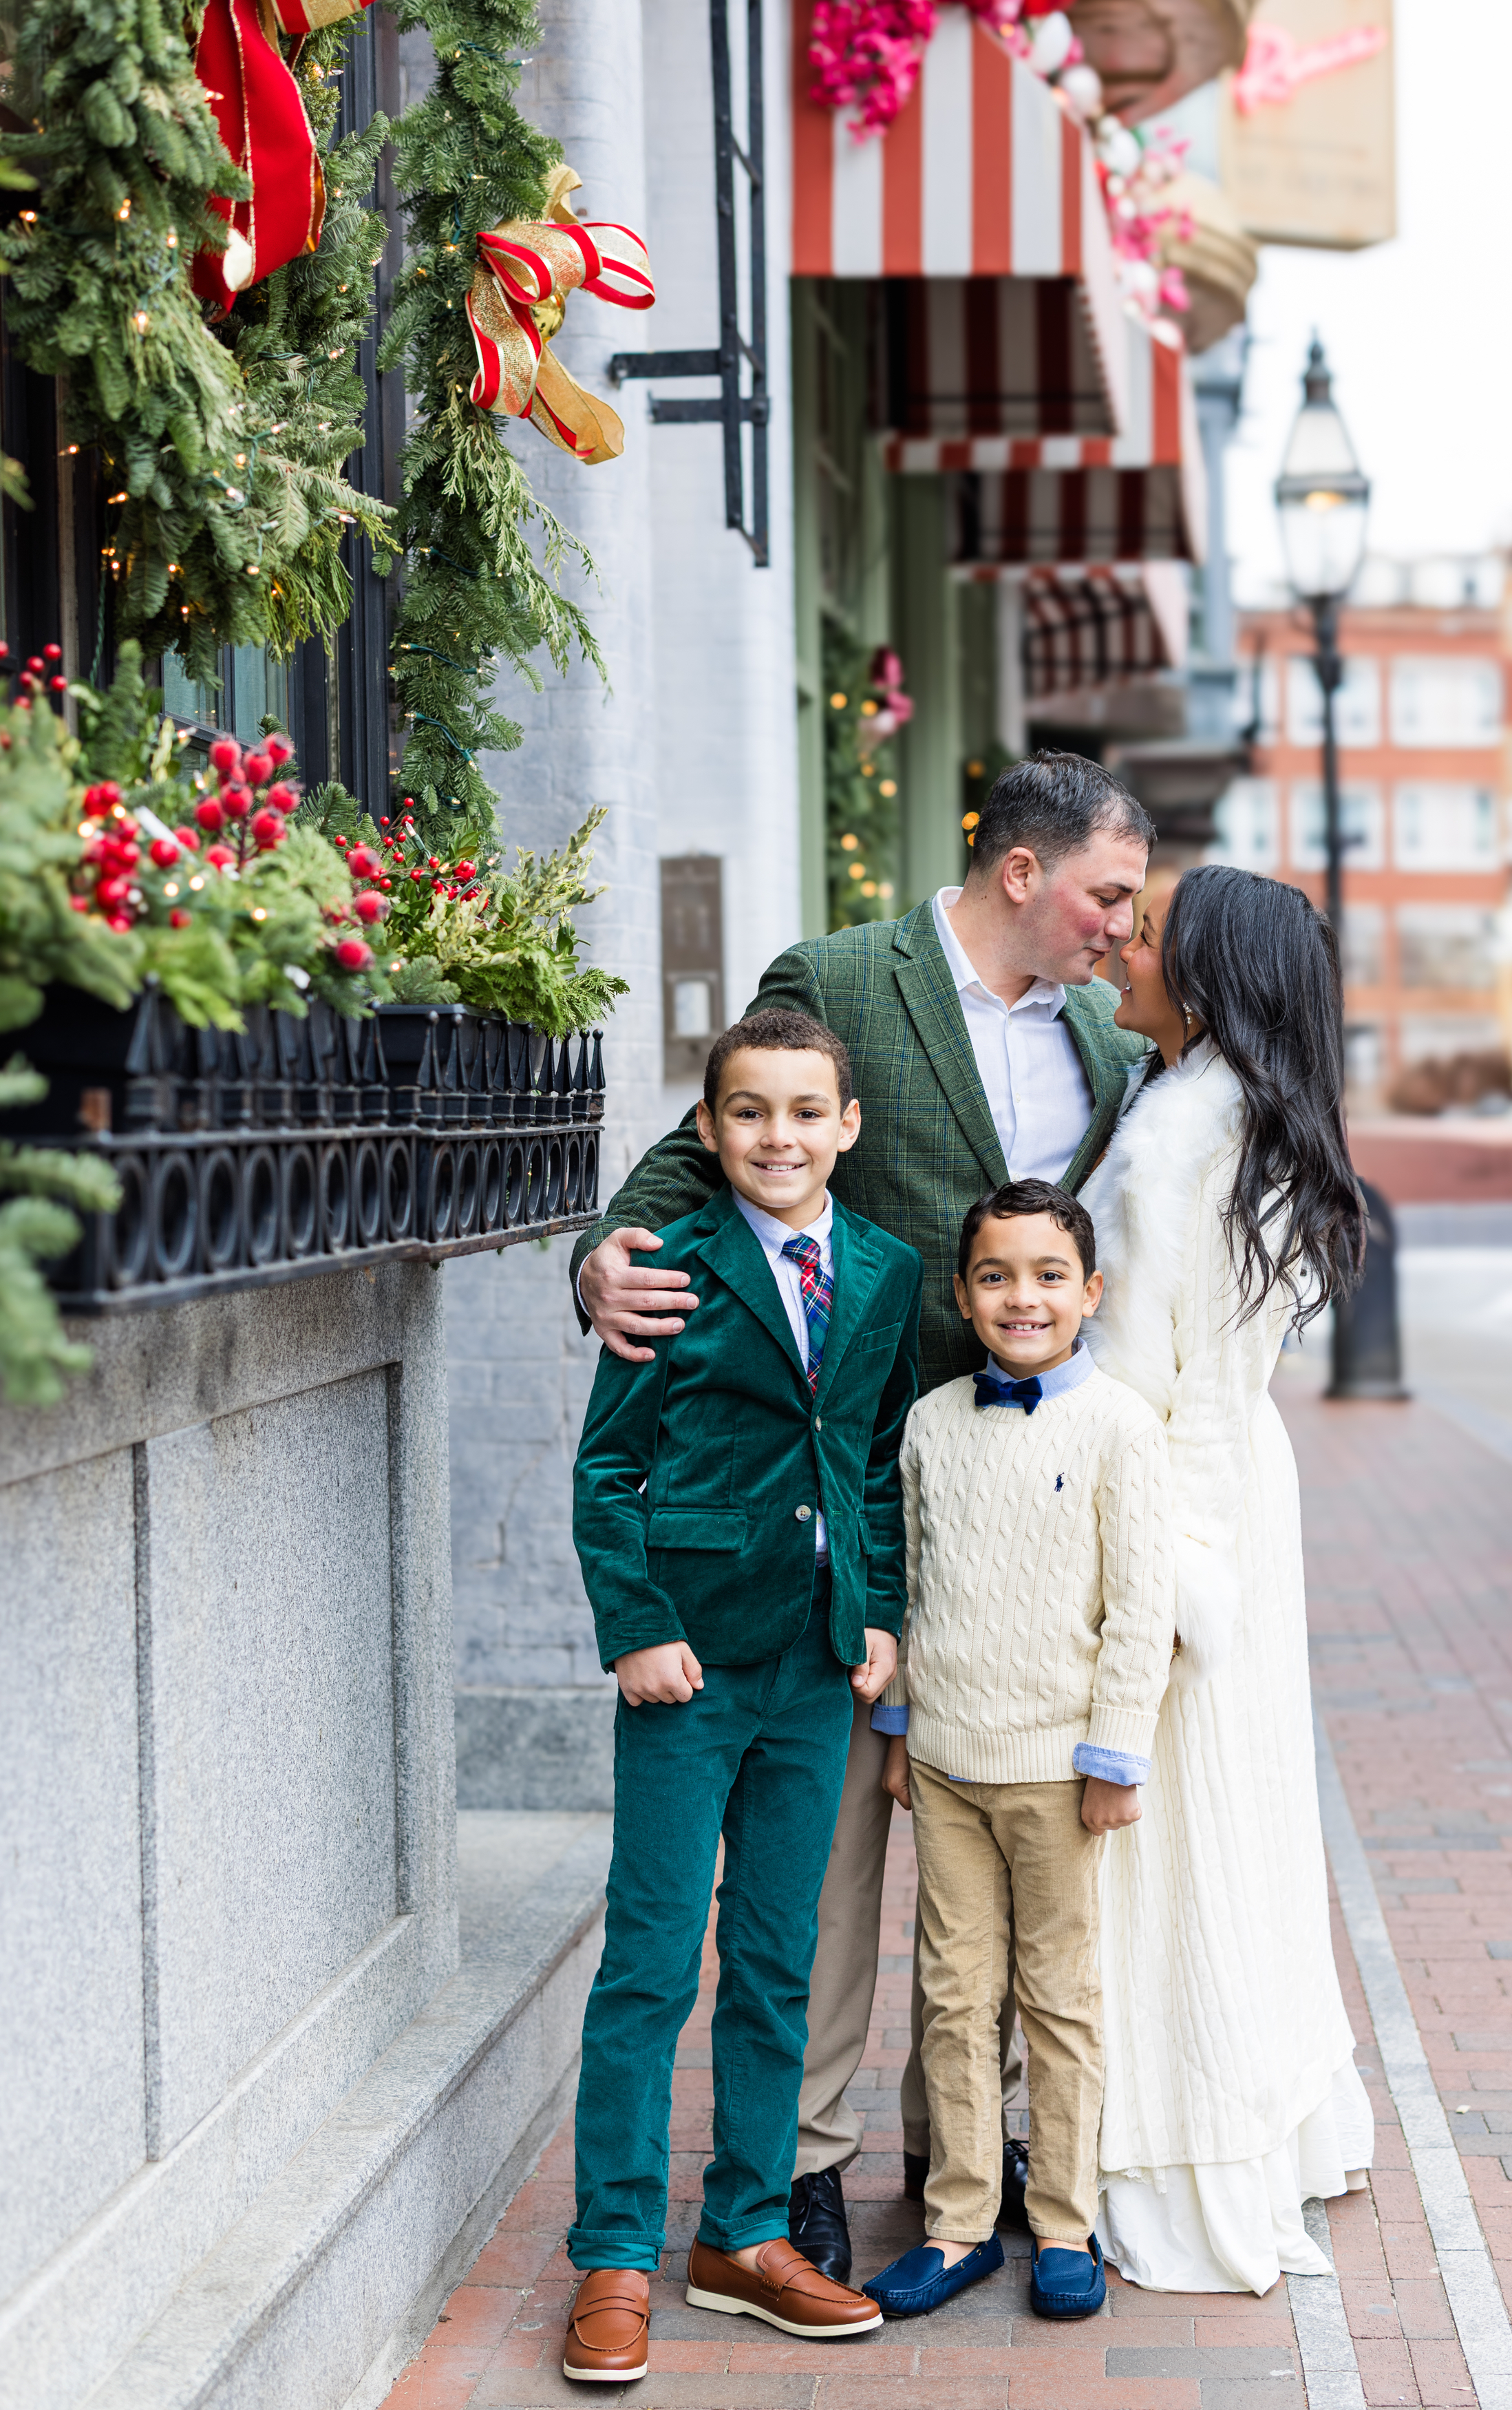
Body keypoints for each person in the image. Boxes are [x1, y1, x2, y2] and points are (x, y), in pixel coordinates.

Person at [569, 754, 1157, 2278]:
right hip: (844, 1476)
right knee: (821, 1864)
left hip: (1022, 1499)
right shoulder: (839, 976)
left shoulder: (1105, 1027)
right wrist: (598, 1260)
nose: (1120, 924)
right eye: (1105, 892)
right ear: (1023, 873)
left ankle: (982, 2153)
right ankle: (800, 2165)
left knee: (1009, 1829)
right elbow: (696, 1151)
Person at [562, 1009, 922, 2382]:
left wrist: (877, 1609)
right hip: (690, 1667)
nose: (777, 1137)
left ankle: (746, 2230)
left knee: (777, 1955)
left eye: (802, 1112)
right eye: (747, 1112)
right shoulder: (669, 1265)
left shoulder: (882, 1272)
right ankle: (610, 2250)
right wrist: (635, 1626)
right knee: (651, 1964)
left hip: (814, 1669)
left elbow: (872, 1461)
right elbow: (608, 1468)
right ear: (707, 1131)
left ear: (846, 1126)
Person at [1076, 865, 1374, 2295]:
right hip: (1238, 1489)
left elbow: (1129, 1368)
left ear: (1199, 978)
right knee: (1241, 1822)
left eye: (1141, 935)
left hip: (1173, 1503)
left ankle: (1177, 2148)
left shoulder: (1176, 1126)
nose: (1115, 951)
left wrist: (1141, 1580)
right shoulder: (1243, 1113)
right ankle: (1269, 2115)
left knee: (1166, 1840)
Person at [861, 1182, 1175, 2322]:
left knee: (1059, 1999)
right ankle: (957, 2224)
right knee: (953, 1995)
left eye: (1049, 1276)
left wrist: (1115, 1756)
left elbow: (1142, 1609)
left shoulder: (1121, 1428)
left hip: (1057, 1771)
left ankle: (1064, 2222)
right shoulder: (931, 1422)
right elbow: (914, 1586)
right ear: (963, 1294)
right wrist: (899, 1735)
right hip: (946, 1759)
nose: (1022, 1298)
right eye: (995, 1276)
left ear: (1091, 1293)